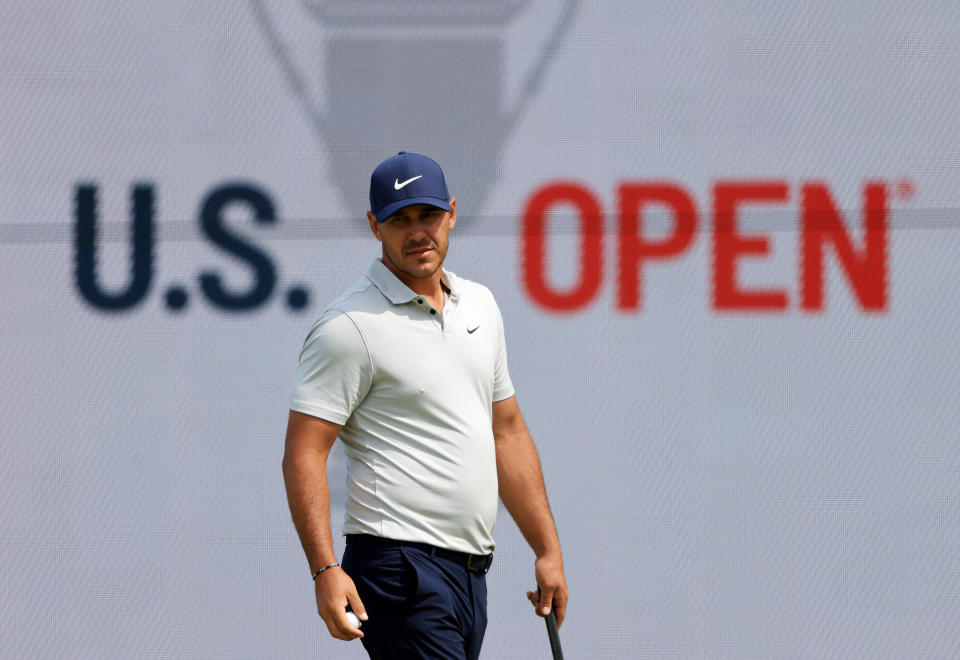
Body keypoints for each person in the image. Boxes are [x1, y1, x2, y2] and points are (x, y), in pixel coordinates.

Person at [282, 151, 567, 659]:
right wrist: (326, 570)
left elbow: (508, 432)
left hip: (470, 574)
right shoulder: (348, 327)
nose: (418, 233)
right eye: (399, 220)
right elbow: (304, 452)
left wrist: (547, 549)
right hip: (397, 568)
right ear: (375, 226)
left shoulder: (480, 305)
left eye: (429, 216)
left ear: (452, 213)